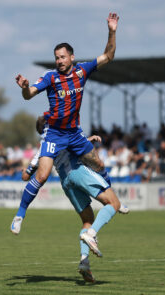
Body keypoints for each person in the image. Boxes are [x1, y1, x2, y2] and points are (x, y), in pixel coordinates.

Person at [14, 13, 119, 232]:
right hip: (54, 133)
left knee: (98, 164)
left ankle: (115, 202)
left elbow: (108, 56)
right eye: (57, 58)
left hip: (74, 133)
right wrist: (25, 86)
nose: (59, 61)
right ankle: (20, 215)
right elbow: (29, 94)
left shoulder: (82, 71)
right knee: (41, 176)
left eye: (62, 57)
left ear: (71, 57)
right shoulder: (50, 77)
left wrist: (111, 31)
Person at [11, 116, 129, 283]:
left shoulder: (43, 149)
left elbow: (25, 176)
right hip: (77, 171)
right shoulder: (61, 133)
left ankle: (84, 261)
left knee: (87, 219)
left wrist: (28, 169)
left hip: (66, 181)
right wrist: (87, 141)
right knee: (114, 204)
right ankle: (92, 234)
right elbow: (73, 144)